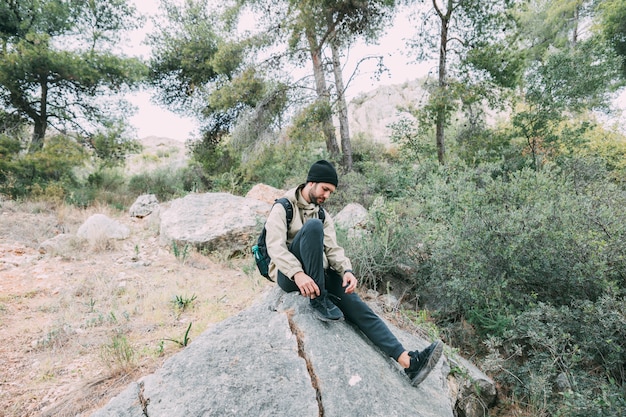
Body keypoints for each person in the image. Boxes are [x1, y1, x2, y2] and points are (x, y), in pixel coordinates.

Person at [265, 159, 443, 387]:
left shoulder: (321, 214)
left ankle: (408, 362)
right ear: (311, 183)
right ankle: (319, 301)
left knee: (357, 305)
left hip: (318, 274)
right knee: (312, 228)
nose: (327, 195)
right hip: (289, 277)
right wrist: (298, 274)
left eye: (331, 192)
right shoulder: (283, 207)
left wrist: (346, 270)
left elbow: (333, 249)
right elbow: (275, 247)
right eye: (325, 189)